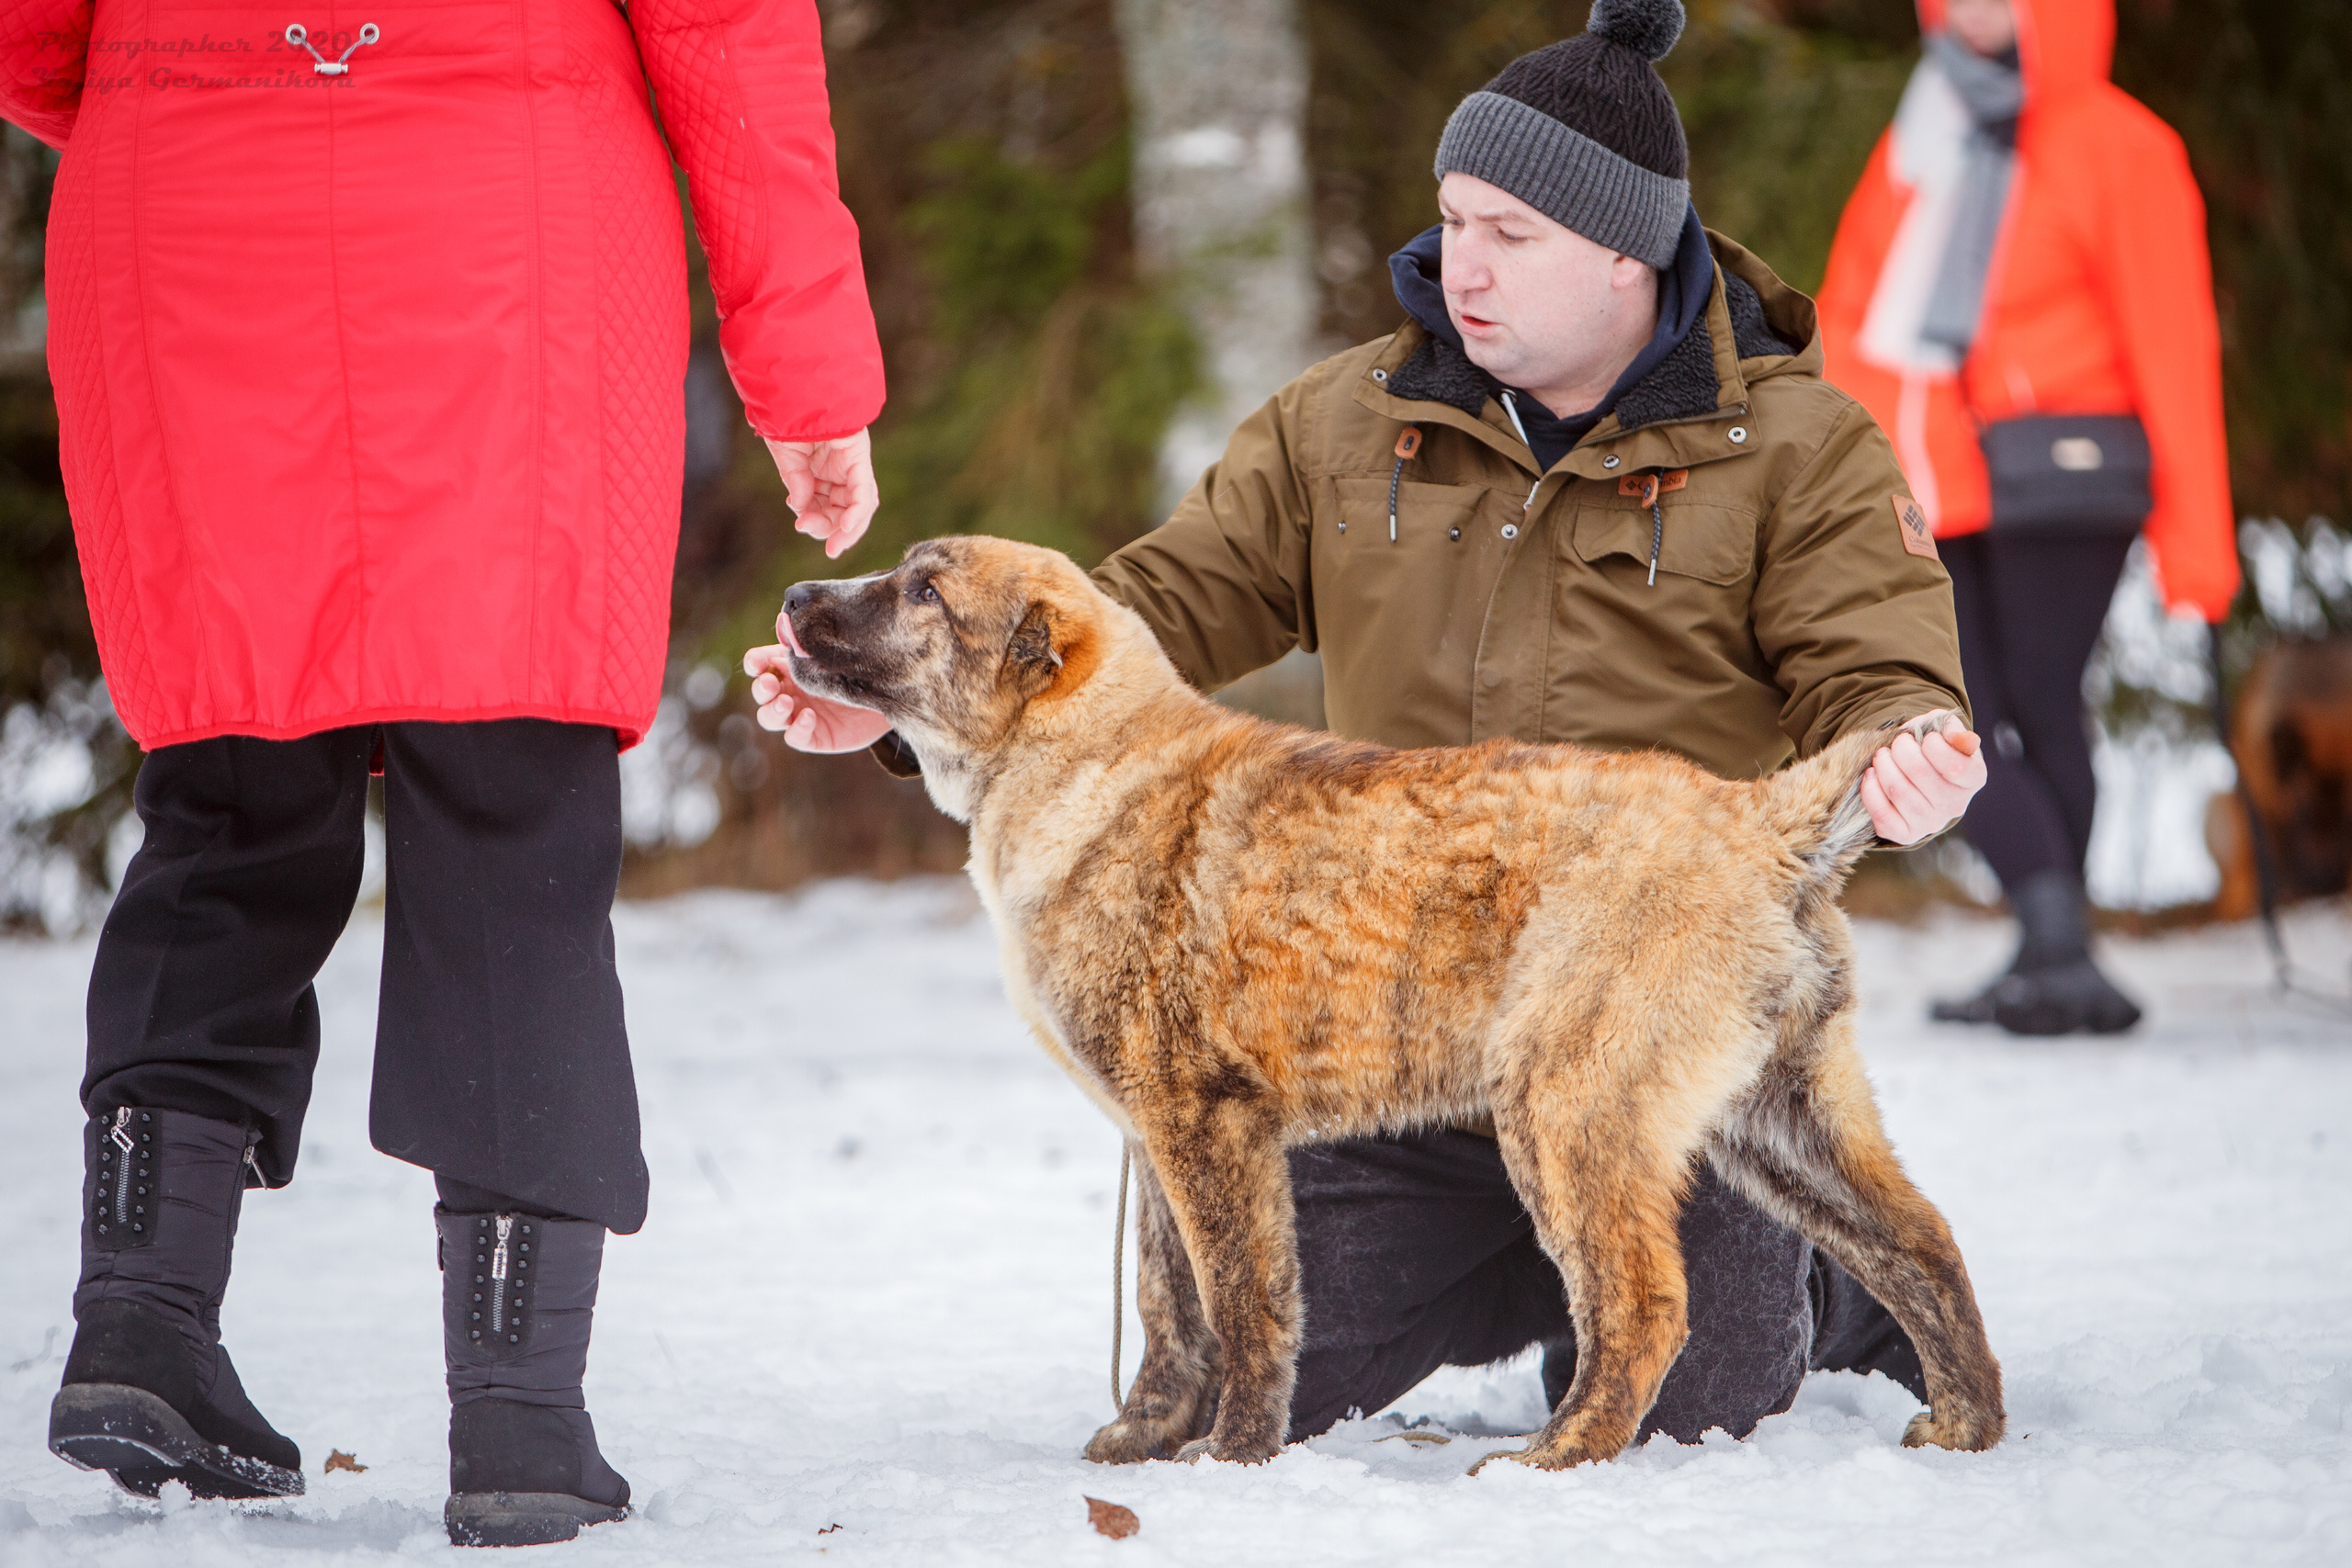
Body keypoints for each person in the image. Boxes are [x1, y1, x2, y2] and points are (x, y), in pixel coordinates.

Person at [749, 0, 1985, 1453]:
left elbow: (1876, 662)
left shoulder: (1797, 444)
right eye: (1453, 219)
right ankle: (1528, 1255)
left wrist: (1911, 742)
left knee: (1702, 1400)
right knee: (1241, 1351)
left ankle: (1818, 1275)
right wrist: (903, 720)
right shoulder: (1346, 421)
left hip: (1646, 1003)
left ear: (1625, 251)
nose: (1462, 264)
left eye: (1510, 235)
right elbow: (1132, 614)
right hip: (1399, 1056)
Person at [1, 0, 883, 1545]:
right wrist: (807, 381)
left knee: (227, 779)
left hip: (186, 187)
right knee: (510, 795)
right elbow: (732, 41)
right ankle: (521, 1417)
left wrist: (207, 91)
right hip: (511, 203)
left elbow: (30, 38)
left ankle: (138, 1325)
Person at [1817, 0, 2239, 1035]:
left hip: (2066, 476)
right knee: (1946, 710)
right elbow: (1849, 309)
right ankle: (2056, 944)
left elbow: (2172, 342)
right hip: (1934, 474)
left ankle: (2054, 949)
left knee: (2046, 704)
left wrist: (2200, 538)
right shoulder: (1921, 131)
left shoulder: (2119, 144)